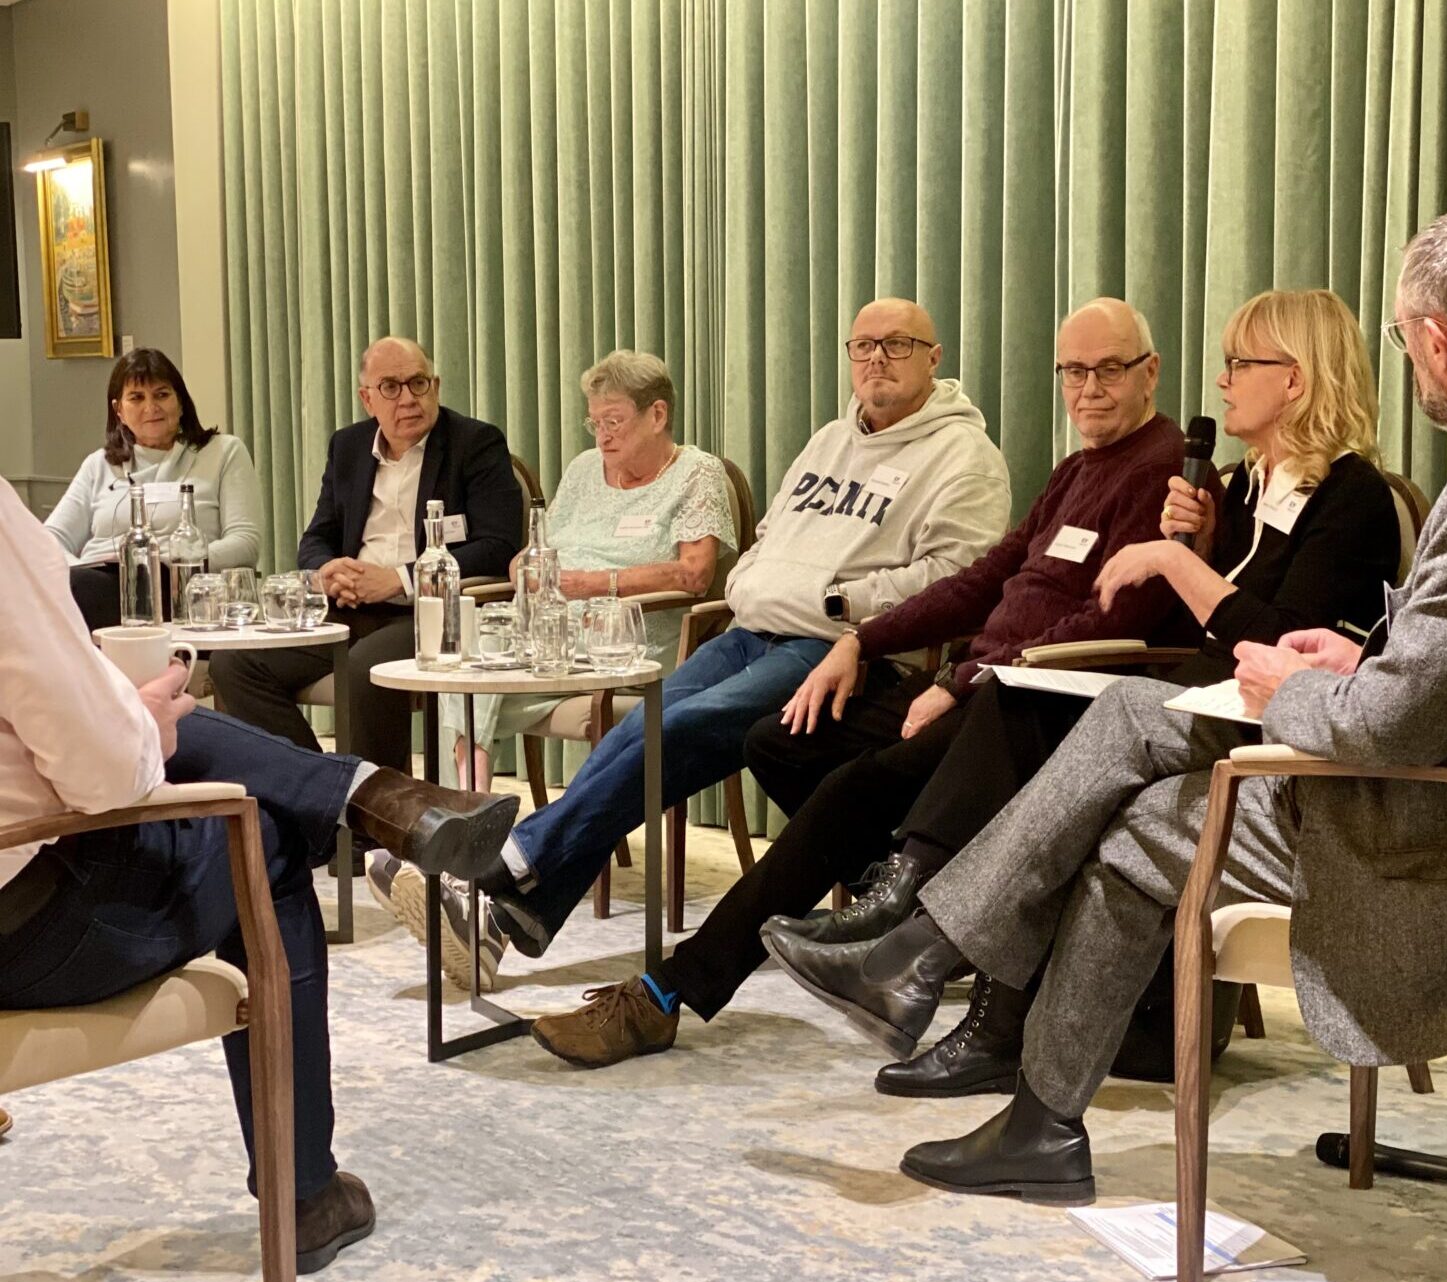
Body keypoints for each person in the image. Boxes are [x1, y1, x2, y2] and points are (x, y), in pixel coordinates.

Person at [775, 204, 1447, 1203]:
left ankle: (960, 1013)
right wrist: (1354, 653)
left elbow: (1383, 730)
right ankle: (940, 986)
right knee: (1134, 737)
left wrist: (1294, 684)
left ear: (1440, 339)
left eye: (1406, 340)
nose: (1410, 362)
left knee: (1137, 808)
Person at [758, 287, 1400, 1097]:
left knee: (1026, 724)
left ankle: (925, 952)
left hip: (1260, 737)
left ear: (1297, 382)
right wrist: (1205, 541)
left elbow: (1279, 651)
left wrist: (1177, 561)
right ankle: (924, 944)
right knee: (1014, 704)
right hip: (1187, 707)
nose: (1225, 379)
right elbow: (1218, 610)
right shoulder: (1238, 490)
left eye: (1241, 363)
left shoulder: (1354, 498)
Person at [381, 298, 1012, 993]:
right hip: (750, 629)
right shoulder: (831, 440)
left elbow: (952, 580)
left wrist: (835, 604)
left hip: (839, 651)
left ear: (934, 356)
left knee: (675, 730)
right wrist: (759, 582)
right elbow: (772, 534)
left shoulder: (965, 457)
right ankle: (509, 919)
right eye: (862, 346)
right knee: (644, 723)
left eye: (896, 345)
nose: (876, 361)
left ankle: (511, 869)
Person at [0, 477, 522, 1269]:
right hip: (29, 928)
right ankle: (305, 1191)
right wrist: (140, 723)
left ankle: (373, 800)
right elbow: (102, 772)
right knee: (267, 838)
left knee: (202, 736)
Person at [208, 337, 521, 774]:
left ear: (436, 386)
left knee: (363, 670)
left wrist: (400, 579)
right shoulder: (349, 447)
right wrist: (327, 571)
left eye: (418, 383)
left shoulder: (475, 443)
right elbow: (316, 538)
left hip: (426, 615)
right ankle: (320, 791)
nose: (409, 398)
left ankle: (377, 820)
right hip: (349, 608)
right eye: (391, 387)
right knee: (237, 663)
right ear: (367, 398)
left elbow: (499, 545)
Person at [432, 350, 736, 791]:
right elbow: (542, 548)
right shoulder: (583, 470)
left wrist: (590, 586)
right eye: (595, 424)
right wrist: (523, 566)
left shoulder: (695, 473)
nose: (603, 437)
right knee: (462, 679)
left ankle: (464, 819)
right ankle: (469, 815)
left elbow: (694, 574)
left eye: (613, 422)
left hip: (625, 645)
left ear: (657, 414)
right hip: (543, 640)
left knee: (473, 689)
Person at [45, 347, 261, 629]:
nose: (151, 408)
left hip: (182, 589)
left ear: (181, 402)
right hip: (98, 583)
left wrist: (173, 560)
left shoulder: (223, 452)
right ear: (119, 410)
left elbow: (245, 543)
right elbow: (49, 538)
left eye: (162, 395)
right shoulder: (98, 464)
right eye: (136, 398)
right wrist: (73, 571)